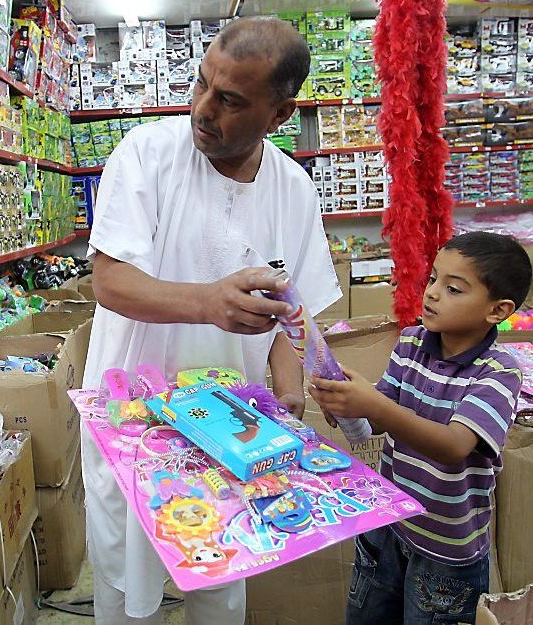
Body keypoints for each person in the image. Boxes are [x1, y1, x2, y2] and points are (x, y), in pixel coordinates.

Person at [81, 16, 340, 625]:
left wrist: (291, 386)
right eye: (201, 86)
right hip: (134, 419)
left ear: (279, 115)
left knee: (223, 581)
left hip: (234, 430)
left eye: (229, 101)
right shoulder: (146, 155)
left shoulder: (294, 190)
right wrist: (208, 303)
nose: (203, 109)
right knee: (124, 582)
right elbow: (110, 281)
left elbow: (288, 311)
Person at [309, 231, 532, 625]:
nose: (432, 293)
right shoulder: (411, 344)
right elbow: (378, 420)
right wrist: (343, 405)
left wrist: (373, 404)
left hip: (447, 554)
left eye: (454, 289)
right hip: (388, 524)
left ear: (497, 311)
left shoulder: (498, 372)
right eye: (433, 279)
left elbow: (454, 445)